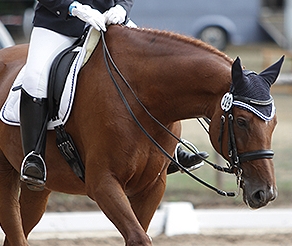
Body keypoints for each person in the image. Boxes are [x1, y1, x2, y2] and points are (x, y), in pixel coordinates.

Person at [20, 0, 206, 191]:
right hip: (58, 25)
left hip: (108, 22)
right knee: (35, 79)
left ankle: (171, 149)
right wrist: (74, 7)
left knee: (152, 69)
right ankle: (34, 157)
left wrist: (121, 8)